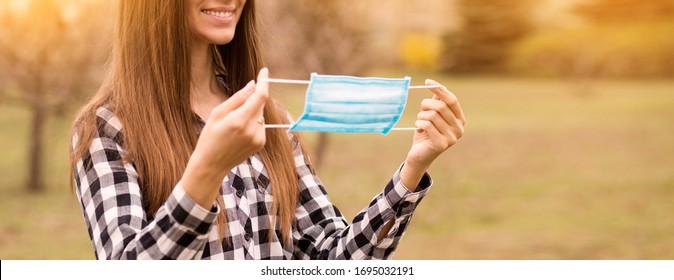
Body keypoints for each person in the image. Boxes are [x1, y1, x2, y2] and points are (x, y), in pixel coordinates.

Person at [70, 0, 465, 260]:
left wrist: (413, 168)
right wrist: (206, 171)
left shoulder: (269, 119)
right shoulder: (107, 129)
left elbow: (332, 259)